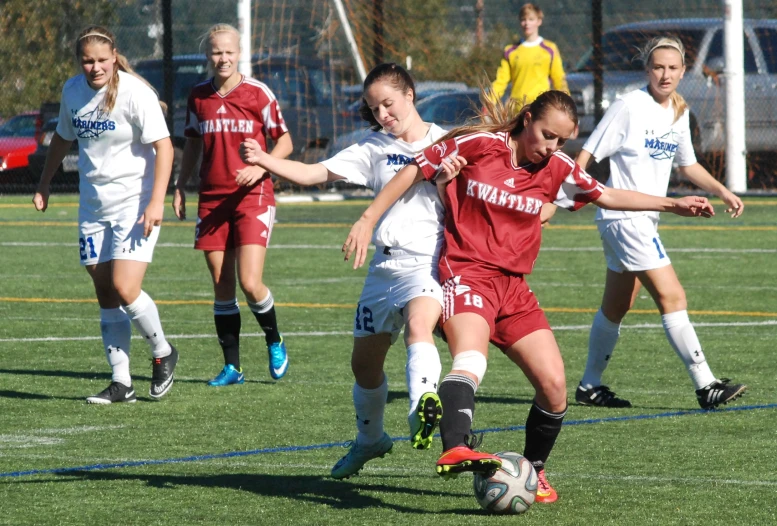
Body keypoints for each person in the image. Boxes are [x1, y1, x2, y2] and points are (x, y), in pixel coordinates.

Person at [342, 89, 715, 503]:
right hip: (467, 274)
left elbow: (606, 195)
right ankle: (455, 445)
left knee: (554, 386)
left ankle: (534, 471)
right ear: (526, 119)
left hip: (515, 289)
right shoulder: (479, 145)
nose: (551, 147)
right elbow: (414, 169)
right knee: (471, 358)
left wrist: (673, 204)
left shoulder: (557, 168)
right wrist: (367, 217)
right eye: (546, 135)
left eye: (561, 140)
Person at [240, 63, 448, 478]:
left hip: (427, 261)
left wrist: (448, 181)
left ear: (410, 94)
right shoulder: (373, 146)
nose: (383, 115)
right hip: (383, 267)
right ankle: (371, 440)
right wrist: (266, 160)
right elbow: (315, 173)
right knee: (364, 367)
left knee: (418, 328)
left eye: (388, 104)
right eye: (374, 109)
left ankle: (420, 406)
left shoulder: (447, 141)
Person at [561, 36, 747, 410]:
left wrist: (722, 190)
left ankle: (589, 386)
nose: (665, 74)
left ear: (682, 72)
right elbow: (587, 153)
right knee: (673, 296)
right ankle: (706, 384)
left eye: (673, 68)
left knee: (617, 305)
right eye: (658, 67)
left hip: (637, 221)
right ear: (647, 69)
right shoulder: (629, 105)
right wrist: (562, 193)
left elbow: (687, 165)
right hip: (624, 217)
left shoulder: (677, 110)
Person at [32, 25, 178, 404]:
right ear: (79, 62)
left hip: (135, 202)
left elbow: (164, 148)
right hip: (93, 206)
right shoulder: (72, 91)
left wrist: (156, 201)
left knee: (126, 287)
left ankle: (162, 351)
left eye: (101, 60)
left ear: (114, 58)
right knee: (105, 293)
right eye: (87, 61)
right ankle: (121, 382)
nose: (95, 68)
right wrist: (44, 183)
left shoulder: (135, 93)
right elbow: (63, 137)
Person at [172, 24, 292, 386]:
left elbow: (284, 142)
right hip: (211, 198)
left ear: (239, 53)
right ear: (207, 56)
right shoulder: (198, 96)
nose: (222, 59)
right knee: (222, 287)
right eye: (215, 53)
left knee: (250, 281)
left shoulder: (257, 93)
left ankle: (274, 339)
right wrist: (180, 184)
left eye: (228, 52)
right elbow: (192, 144)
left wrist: (259, 168)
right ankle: (232, 367)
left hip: (253, 197)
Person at [490, 3, 568, 106]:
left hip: (541, 108)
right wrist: (489, 103)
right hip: (517, 109)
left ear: (539, 21)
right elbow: (501, 81)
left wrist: (567, 104)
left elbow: (559, 79)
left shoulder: (550, 49)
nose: (527, 23)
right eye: (523, 20)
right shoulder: (510, 50)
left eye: (531, 19)